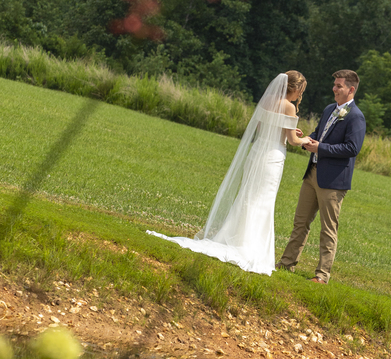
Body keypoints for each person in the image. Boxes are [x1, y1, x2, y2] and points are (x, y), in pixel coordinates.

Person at [147, 71, 309, 276]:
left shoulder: (267, 99)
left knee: (248, 195)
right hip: (272, 156)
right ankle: (251, 247)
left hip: (257, 151)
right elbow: (293, 141)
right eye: (300, 91)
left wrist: (286, 129)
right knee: (263, 200)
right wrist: (307, 140)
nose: (299, 95)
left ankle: (235, 237)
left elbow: (260, 128)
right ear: (294, 88)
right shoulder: (289, 106)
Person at [277, 69, 366, 283]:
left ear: (351, 90)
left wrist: (321, 148)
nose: (334, 89)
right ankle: (286, 263)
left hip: (333, 182)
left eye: (338, 86)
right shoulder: (329, 109)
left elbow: (352, 149)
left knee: (328, 229)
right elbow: (319, 134)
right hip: (312, 174)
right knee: (300, 223)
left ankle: (322, 275)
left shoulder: (356, 117)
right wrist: (307, 139)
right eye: (334, 85)